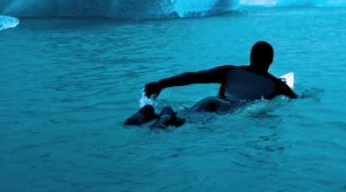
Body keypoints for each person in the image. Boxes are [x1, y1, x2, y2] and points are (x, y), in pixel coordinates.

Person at [124, 41, 297, 128]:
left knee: (184, 115)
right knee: (186, 123)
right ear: (271, 61)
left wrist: (161, 84)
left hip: (211, 100)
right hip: (227, 109)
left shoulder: (229, 70)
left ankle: (157, 114)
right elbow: (296, 99)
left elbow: (193, 77)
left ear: (250, 56)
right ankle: (166, 116)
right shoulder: (276, 85)